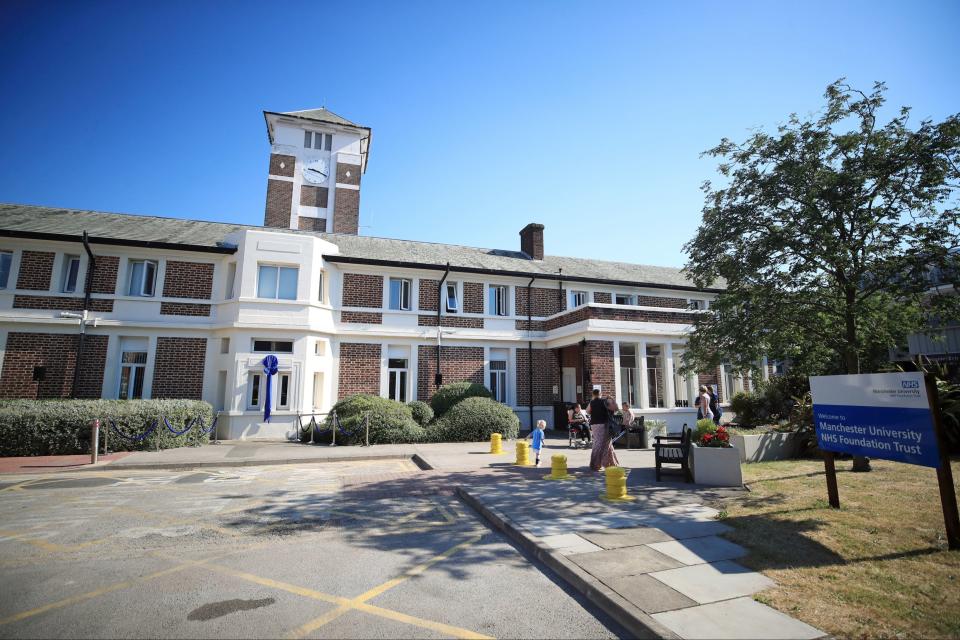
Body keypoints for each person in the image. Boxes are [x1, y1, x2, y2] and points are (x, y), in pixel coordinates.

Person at [586, 390, 619, 471]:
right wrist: (612, 399)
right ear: (600, 394)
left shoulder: (592, 402)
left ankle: (610, 464)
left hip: (594, 424)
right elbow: (616, 409)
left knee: (603, 443)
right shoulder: (605, 401)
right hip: (603, 424)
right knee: (603, 444)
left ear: (593, 395)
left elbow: (587, 411)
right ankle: (597, 465)